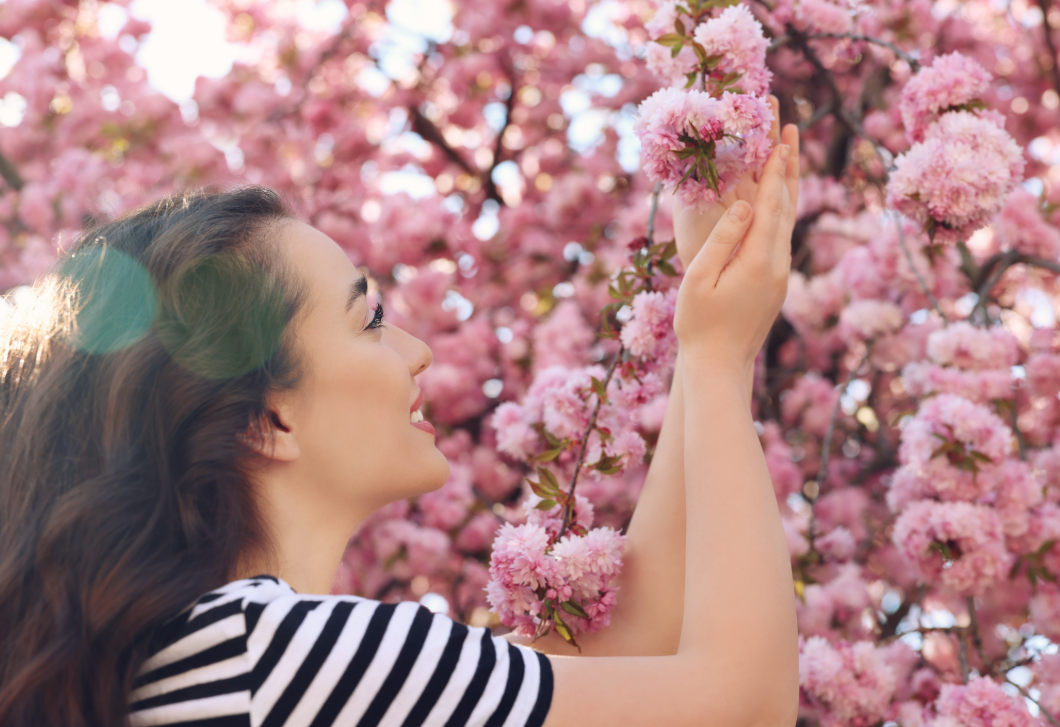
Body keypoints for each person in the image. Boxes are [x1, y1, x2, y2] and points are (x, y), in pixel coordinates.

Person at [0, 106, 801, 726]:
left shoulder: (204, 661)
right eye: (371, 318)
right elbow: (740, 710)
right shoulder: (275, 655)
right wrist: (718, 361)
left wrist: (707, 313)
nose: (418, 351)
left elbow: (639, 659)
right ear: (266, 420)